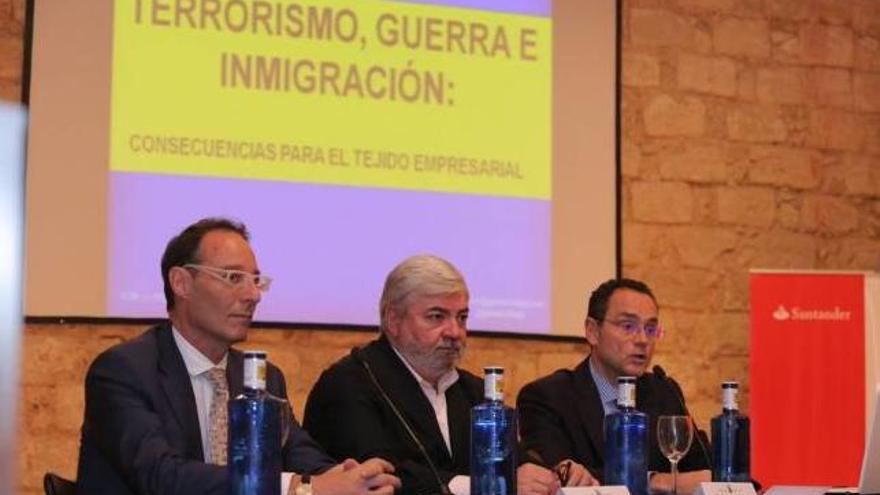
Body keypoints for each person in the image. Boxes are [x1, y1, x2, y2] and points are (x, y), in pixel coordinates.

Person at [76, 217, 400, 495]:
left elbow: (302, 456)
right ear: (181, 283)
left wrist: (352, 477)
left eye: (256, 280)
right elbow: (161, 476)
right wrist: (302, 488)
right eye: (233, 278)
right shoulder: (123, 371)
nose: (253, 295)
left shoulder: (262, 375)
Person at [303, 254, 560, 495]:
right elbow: (382, 474)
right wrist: (487, 485)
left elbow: (516, 462)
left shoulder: (474, 392)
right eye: (436, 316)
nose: (454, 332)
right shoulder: (348, 384)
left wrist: (555, 474)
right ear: (393, 320)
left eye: (462, 317)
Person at [517, 278, 711, 493]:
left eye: (650, 328)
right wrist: (653, 481)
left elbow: (707, 470)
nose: (642, 340)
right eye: (628, 326)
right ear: (592, 331)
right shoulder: (547, 398)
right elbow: (557, 478)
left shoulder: (665, 393)